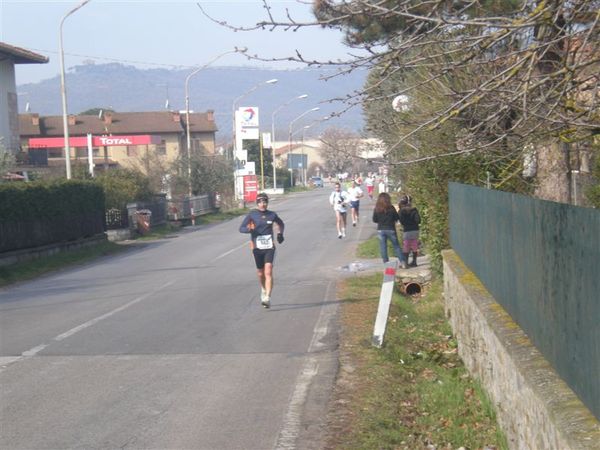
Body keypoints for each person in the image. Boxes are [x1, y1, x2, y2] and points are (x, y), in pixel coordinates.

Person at [239, 193, 285, 308]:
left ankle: (267, 298)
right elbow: (241, 228)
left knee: (268, 271)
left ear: (267, 203)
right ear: (257, 203)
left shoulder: (272, 215)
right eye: (260, 202)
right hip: (257, 247)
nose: (263, 204)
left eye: (265, 202)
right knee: (260, 273)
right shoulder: (252, 214)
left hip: (269, 247)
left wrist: (280, 234)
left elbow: (281, 223)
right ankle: (263, 289)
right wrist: (249, 229)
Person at [372, 192, 407, 268]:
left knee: (383, 247)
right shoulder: (391, 208)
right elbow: (397, 217)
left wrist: (380, 220)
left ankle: (386, 263)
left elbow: (374, 219)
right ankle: (403, 262)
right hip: (391, 229)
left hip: (381, 229)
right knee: (396, 246)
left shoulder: (377, 209)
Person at [398, 194, 421, 267]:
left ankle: (406, 263)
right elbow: (418, 220)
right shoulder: (414, 210)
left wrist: (406, 224)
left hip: (407, 230)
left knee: (406, 247)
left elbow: (401, 221)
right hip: (415, 230)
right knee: (414, 246)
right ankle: (414, 262)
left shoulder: (401, 211)